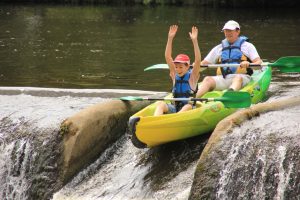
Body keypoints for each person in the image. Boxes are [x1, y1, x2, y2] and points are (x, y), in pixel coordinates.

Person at [196, 20, 262, 98]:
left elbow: (259, 63)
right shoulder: (219, 48)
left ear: (238, 31)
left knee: (238, 78)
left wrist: (249, 64)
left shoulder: (248, 46)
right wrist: (197, 66)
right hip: (223, 78)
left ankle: (229, 97)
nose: (227, 33)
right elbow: (204, 64)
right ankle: (192, 100)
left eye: (230, 31)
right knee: (207, 79)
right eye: (226, 31)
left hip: (242, 77)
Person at [154, 25, 201, 116]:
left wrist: (194, 41)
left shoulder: (192, 77)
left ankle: (174, 119)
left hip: (189, 110)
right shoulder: (174, 74)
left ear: (187, 67)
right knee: (161, 104)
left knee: (187, 106)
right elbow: (168, 57)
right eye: (176, 67)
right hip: (175, 108)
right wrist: (170, 38)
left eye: (181, 67)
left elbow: (198, 60)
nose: (178, 69)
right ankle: (155, 120)